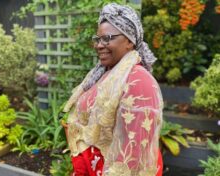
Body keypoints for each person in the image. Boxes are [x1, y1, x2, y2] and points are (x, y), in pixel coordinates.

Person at [62, 3, 163, 176]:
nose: (99, 45)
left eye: (107, 38)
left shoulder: (138, 81)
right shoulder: (106, 72)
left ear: (130, 41)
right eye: (98, 39)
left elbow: (133, 155)